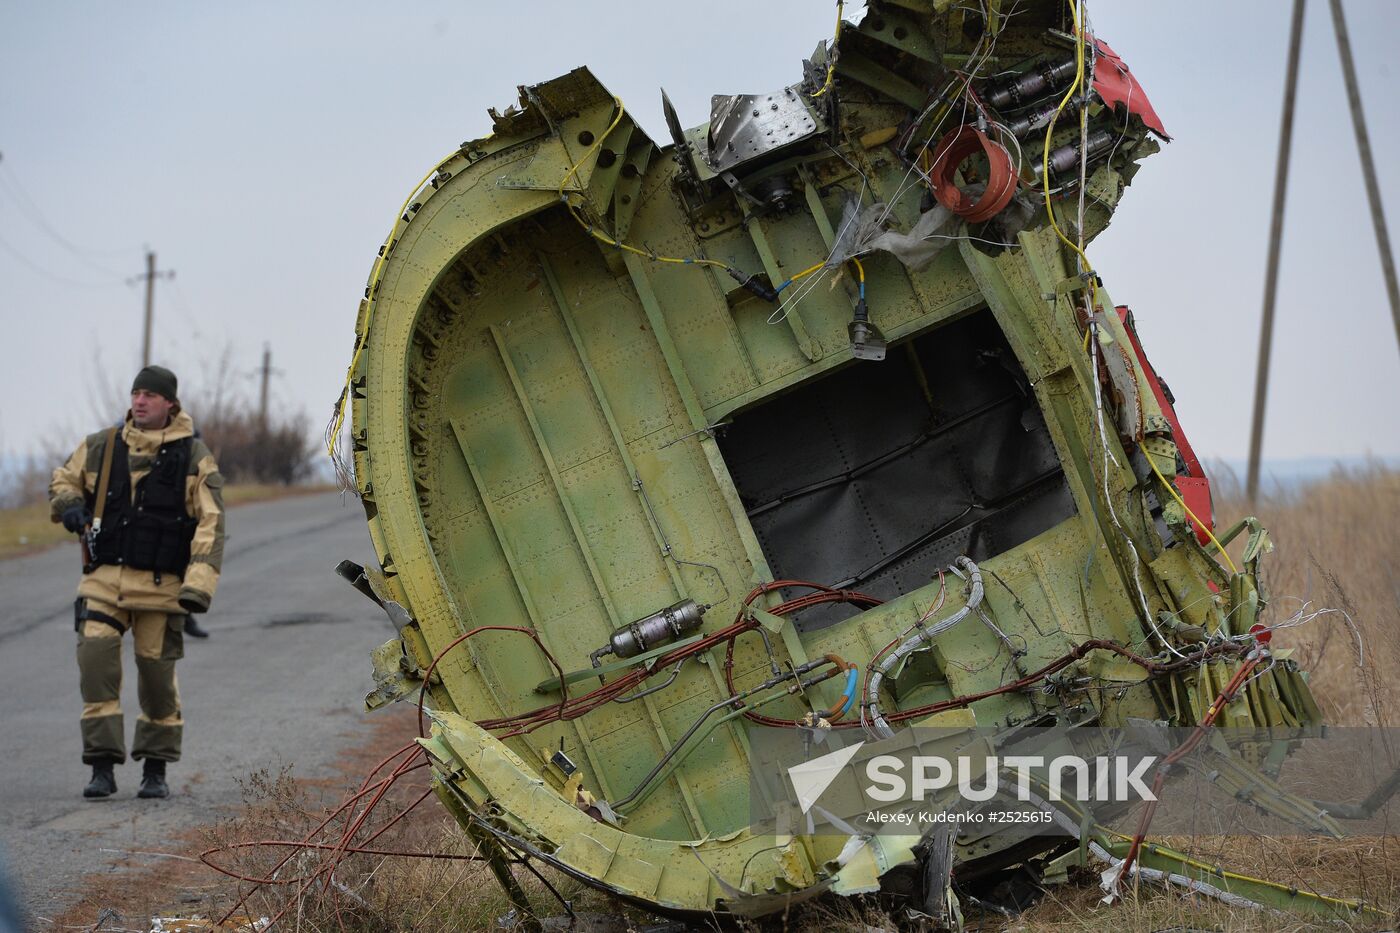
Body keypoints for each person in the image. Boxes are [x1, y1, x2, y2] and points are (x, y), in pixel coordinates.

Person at [49, 366, 225, 799]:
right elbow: (63, 480)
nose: (140, 401)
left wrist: (198, 587)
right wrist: (69, 506)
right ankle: (102, 766)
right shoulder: (102, 447)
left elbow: (211, 524)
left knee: (157, 679)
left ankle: (155, 770)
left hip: (163, 589)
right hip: (104, 582)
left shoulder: (193, 456)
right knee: (95, 662)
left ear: (170, 403)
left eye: (150, 395)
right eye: (136, 393)